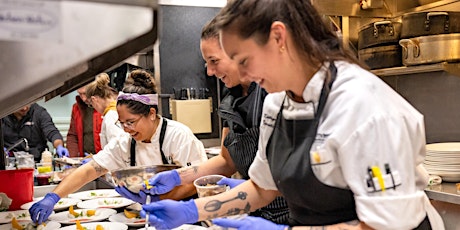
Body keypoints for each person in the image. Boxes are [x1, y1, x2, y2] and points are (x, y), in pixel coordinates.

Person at [139, 0, 444, 229]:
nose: (242, 73)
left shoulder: (366, 109)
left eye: (244, 59)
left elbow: (385, 226)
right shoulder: (277, 104)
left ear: (278, 38)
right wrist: (194, 210)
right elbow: (262, 188)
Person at [120, 18, 289, 224]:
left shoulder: (279, 95)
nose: (209, 71)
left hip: (293, 214)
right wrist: (177, 178)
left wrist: (190, 209)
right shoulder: (232, 98)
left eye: (214, 61)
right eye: (206, 63)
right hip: (252, 208)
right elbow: (227, 161)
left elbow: (290, 181)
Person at [29, 69, 208, 224]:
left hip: (186, 217)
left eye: (131, 122)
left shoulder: (177, 136)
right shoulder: (126, 142)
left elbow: (197, 182)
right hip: (150, 216)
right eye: (122, 123)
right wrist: (53, 197)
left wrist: (156, 198)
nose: (126, 129)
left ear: (151, 113)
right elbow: (91, 170)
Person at [2, 103, 69, 162]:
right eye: (20, 105)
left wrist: (59, 146)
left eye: (27, 103)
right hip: (10, 162)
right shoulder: (2, 114)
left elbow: (52, 132)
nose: (25, 108)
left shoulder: (39, 113)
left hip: (37, 162)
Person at [85, 73, 124, 148]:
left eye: (91, 105)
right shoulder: (116, 109)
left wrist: (98, 159)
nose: (93, 107)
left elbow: (115, 148)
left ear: (94, 99)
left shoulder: (111, 116)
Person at [66, 84, 102, 158]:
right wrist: (73, 160)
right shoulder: (76, 108)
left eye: (85, 93)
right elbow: (73, 136)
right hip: (85, 158)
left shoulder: (103, 107)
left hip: (103, 159)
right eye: (80, 94)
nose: (83, 98)